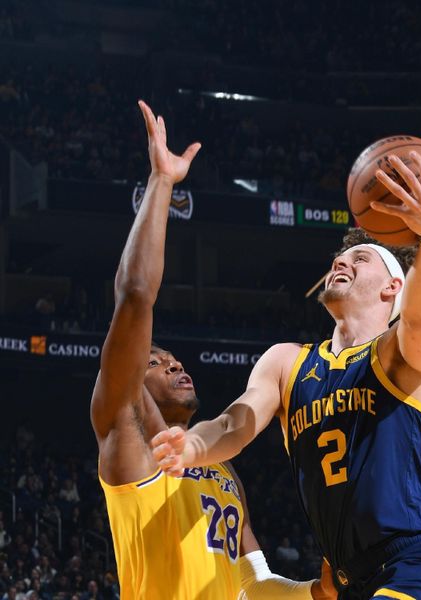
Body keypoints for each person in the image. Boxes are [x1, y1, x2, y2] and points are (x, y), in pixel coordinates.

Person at [152, 151, 421, 598]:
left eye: (359, 258)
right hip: (350, 581)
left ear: (392, 287)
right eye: (340, 258)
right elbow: (232, 424)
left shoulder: (399, 354)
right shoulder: (287, 362)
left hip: (416, 568)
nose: (341, 262)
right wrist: (193, 446)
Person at [91, 100, 334, 600]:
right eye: (155, 361)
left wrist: (316, 592)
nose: (174, 363)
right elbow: (136, 295)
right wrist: (162, 183)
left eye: (173, 358)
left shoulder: (223, 470)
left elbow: (254, 582)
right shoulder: (125, 431)